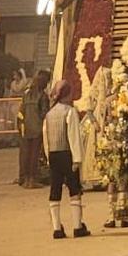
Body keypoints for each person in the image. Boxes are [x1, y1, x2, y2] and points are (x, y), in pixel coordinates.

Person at [42, 78, 89, 240]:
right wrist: (78, 159)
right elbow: (74, 137)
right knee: (74, 190)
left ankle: (57, 228)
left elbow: (46, 139)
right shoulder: (70, 112)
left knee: (55, 190)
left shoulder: (48, 115)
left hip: (54, 155)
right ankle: (77, 226)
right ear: (67, 94)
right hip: (68, 155)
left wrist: (49, 158)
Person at [17, 69, 50, 188]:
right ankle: (32, 180)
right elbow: (44, 114)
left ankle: (24, 179)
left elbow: (21, 112)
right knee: (34, 155)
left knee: (25, 154)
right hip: (37, 129)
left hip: (25, 128)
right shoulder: (43, 96)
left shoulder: (26, 95)